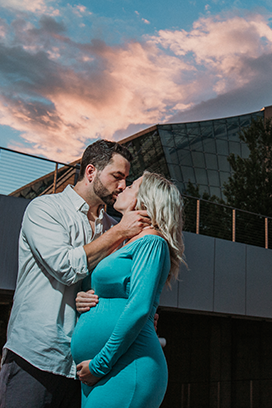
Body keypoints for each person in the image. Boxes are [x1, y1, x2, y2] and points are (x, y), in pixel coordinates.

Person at [0, 140, 151, 408]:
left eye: (126, 179)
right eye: (117, 176)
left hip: (85, 367)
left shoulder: (114, 225)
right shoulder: (44, 209)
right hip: (35, 357)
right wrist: (120, 232)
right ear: (91, 172)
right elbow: (66, 267)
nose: (123, 185)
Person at [70, 171, 185, 408]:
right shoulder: (127, 241)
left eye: (131, 186)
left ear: (145, 199)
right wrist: (86, 298)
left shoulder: (152, 242)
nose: (123, 189)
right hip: (105, 370)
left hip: (124, 366)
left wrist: (99, 365)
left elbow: (139, 308)